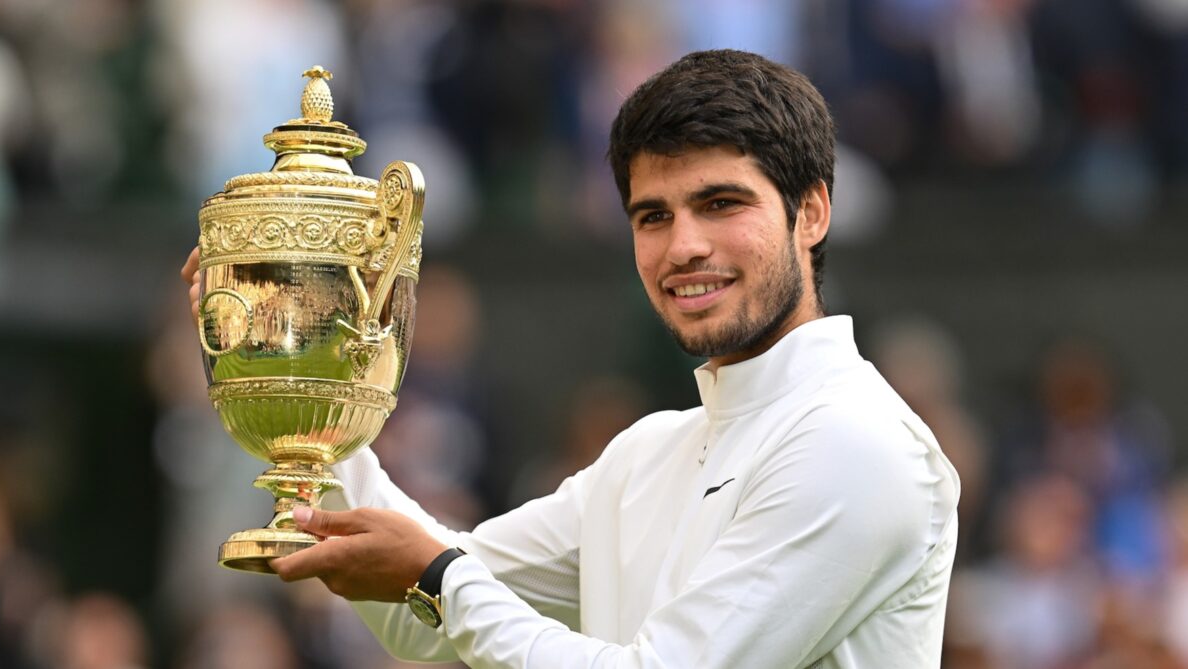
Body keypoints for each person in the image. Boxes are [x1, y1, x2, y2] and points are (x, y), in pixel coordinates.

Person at [181, 49, 960, 668]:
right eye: (653, 215)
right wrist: (305, 356)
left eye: (721, 203)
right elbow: (423, 618)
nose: (684, 245)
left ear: (813, 212)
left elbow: (446, 583)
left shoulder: (857, 443)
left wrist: (437, 577)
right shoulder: (647, 455)